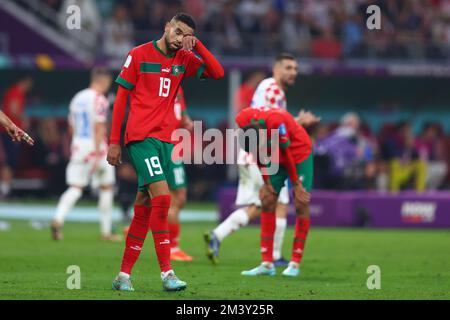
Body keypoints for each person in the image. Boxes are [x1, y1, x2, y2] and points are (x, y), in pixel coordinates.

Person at [107, 13, 224, 292]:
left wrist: (197, 46)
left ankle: (123, 275)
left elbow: (217, 73)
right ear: (167, 27)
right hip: (141, 138)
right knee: (163, 198)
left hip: (166, 141)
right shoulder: (138, 55)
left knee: (144, 206)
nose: (180, 38)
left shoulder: (183, 58)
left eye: (186, 35)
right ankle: (167, 273)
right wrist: (114, 141)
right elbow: (121, 99)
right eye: (178, 32)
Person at [205, 53, 315, 267]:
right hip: (262, 154)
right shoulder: (274, 91)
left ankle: (217, 234)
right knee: (279, 201)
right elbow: (272, 127)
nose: (293, 72)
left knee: (261, 203)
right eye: (288, 68)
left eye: (295, 69)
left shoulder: (268, 88)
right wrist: (298, 122)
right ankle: (273, 257)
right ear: (276, 69)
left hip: (252, 153)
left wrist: (296, 121)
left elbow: (267, 121)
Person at [235, 106, 317, 277]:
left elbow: (287, 153)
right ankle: (267, 263)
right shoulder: (243, 120)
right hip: (275, 157)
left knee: (301, 203)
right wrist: (266, 182)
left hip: (298, 153)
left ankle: (295, 263)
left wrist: (295, 183)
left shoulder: (275, 121)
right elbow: (257, 154)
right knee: (267, 200)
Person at [51, 67, 118, 241]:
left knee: (75, 187)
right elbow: (99, 127)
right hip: (96, 148)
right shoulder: (99, 100)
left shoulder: (77, 98)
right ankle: (106, 232)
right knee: (106, 187)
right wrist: (97, 152)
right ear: (103, 81)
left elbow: (71, 127)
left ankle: (58, 218)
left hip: (78, 145)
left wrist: (76, 146)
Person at [168, 87, 195, 261]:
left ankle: (136, 226)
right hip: (167, 144)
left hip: (175, 144)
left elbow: (181, 110)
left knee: (156, 196)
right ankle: (172, 248)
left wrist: (186, 120)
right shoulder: (162, 80)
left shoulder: (178, 85)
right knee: (177, 197)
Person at [0, 74, 33, 198]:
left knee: (10, 161)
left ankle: (5, 190)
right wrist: (22, 120)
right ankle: (4, 190)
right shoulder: (15, 92)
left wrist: (11, 126)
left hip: (10, 130)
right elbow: (13, 110)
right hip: (9, 132)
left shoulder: (16, 92)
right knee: (9, 161)